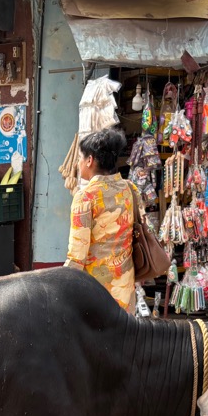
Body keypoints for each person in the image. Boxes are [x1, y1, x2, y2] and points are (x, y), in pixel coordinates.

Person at [64, 128, 137, 313]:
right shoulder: (129, 188)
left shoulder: (86, 197)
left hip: (96, 295)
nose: (78, 162)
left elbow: (77, 257)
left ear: (90, 160)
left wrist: (58, 285)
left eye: (80, 157)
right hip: (125, 289)